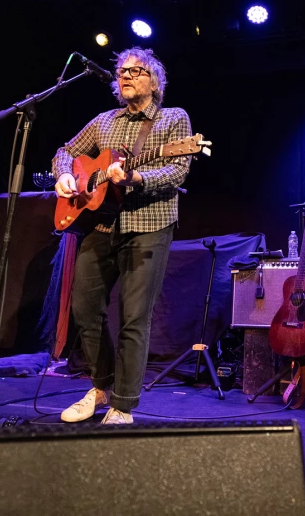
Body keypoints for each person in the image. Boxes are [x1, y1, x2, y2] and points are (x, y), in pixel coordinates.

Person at [53, 47, 192, 425]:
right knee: (83, 309)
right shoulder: (104, 121)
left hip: (149, 225)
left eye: (137, 70)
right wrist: (65, 174)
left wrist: (138, 177)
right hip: (101, 225)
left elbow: (178, 170)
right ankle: (101, 387)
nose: (126, 76)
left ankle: (123, 404)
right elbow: (66, 151)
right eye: (122, 72)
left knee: (133, 318)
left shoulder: (173, 119)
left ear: (154, 81)